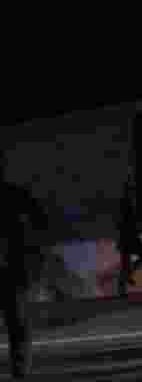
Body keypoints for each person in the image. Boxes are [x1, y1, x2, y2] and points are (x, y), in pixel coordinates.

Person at [2, 159, 48, 379]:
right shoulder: (17, 195)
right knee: (18, 327)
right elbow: (40, 224)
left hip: (14, 268)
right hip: (14, 268)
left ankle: (20, 372)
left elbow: (40, 223)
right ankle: (20, 373)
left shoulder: (17, 195)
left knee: (18, 326)